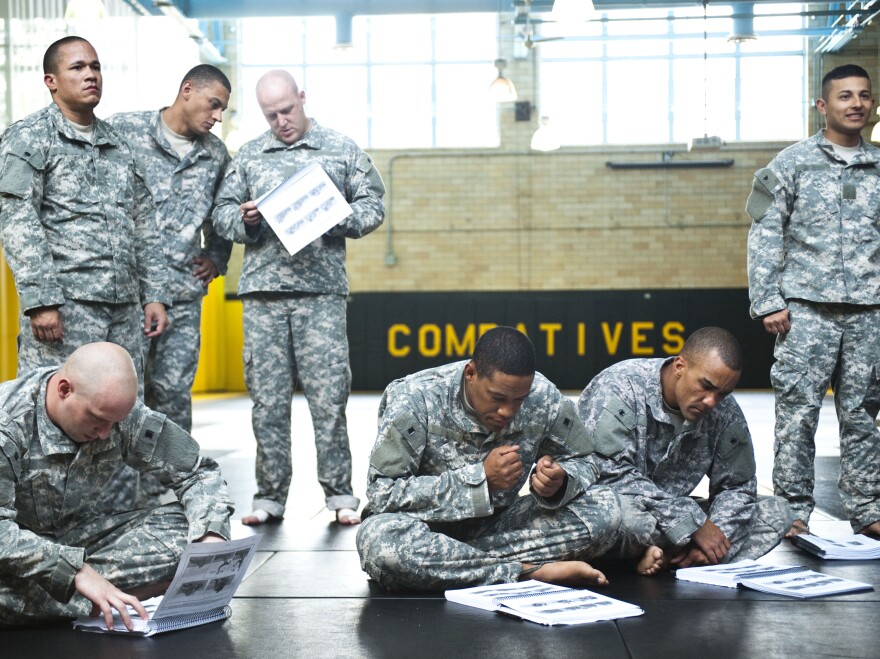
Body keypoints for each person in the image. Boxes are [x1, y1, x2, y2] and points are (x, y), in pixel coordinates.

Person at [212, 69, 385, 526]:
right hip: (263, 296)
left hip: (320, 294)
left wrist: (337, 216)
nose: (281, 121)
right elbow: (221, 213)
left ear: (302, 98)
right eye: (271, 115)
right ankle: (269, 496)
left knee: (329, 398)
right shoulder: (249, 155)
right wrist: (245, 221)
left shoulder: (341, 149)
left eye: (287, 110)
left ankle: (341, 494)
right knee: (267, 402)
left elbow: (374, 205)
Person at [356, 326, 622, 592]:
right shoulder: (415, 398)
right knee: (382, 542)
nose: (507, 410)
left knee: (606, 509)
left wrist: (560, 480)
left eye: (519, 400)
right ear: (471, 373)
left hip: (498, 529)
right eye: (497, 398)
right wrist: (480, 480)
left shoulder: (544, 397)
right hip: (424, 528)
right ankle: (526, 572)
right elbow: (382, 493)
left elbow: (584, 459)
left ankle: (451, 564)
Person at [0, 342, 234, 629]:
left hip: (73, 538)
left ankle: (78, 600)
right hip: (11, 556)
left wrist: (211, 536)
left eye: (115, 423)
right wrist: (75, 572)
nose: (105, 434)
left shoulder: (117, 413)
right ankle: (107, 596)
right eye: (98, 420)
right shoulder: (7, 424)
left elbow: (196, 471)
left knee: (188, 531)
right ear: (64, 390)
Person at [746, 64, 880, 538]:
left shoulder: (879, 165)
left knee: (863, 413)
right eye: (845, 96)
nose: (856, 104)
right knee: (797, 412)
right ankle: (793, 510)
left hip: (869, 311)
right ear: (823, 106)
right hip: (805, 311)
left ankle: (866, 510)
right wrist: (768, 300)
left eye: (864, 95)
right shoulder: (791, 163)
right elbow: (765, 232)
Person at [0, 36, 169, 379]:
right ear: (51, 81)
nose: (90, 74)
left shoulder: (117, 143)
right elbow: (17, 218)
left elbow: (143, 223)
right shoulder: (30, 137)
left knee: (124, 410)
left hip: (123, 310)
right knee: (58, 411)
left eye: (95, 66)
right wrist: (41, 300)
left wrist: (154, 295)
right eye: (77, 67)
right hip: (65, 309)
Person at [577, 327, 791, 575]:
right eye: (706, 386)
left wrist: (716, 537)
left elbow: (738, 487)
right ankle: (659, 556)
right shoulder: (620, 385)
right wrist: (691, 522)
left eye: (722, 394)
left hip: (673, 525)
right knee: (631, 523)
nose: (711, 401)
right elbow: (606, 472)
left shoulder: (723, 411)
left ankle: (674, 558)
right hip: (622, 510)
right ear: (680, 366)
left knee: (777, 512)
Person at [107, 64, 233, 433]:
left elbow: (221, 215)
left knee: (174, 391)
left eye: (223, 110)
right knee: (124, 390)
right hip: (128, 293)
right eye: (213, 105)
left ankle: (171, 485)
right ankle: (128, 489)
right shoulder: (124, 131)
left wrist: (217, 258)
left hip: (182, 294)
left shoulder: (215, 155)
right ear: (187, 90)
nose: (217, 117)